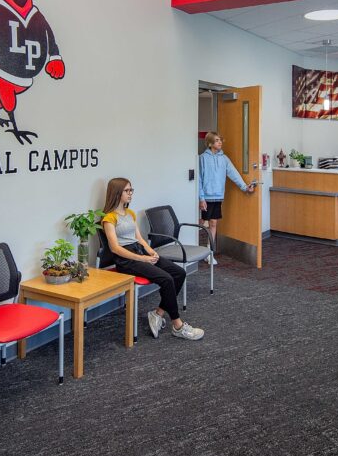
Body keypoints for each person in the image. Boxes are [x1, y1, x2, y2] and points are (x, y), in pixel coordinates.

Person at [101, 177, 204, 341]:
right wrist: (141, 259)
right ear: (117, 193)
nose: (130, 194)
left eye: (131, 190)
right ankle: (177, 325)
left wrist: (151, 252)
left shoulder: (130, 213)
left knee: (178, 273)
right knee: (166, 279)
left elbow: (139, 238)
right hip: (126, 260)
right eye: (127, 191)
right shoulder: (109, 218)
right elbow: (115, 248)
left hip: (140, 251)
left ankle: (157, 314)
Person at [199, 132, 256, 262]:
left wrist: (245, 187)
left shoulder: (224, 158)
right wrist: (201, 198)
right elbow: (199, 179)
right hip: (205, 196)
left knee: (213, 223)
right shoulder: (202, 158)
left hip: (218, 196)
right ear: (210, 143)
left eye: (220, 140)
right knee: (201, 223)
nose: (220, 142)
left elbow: (233, 173)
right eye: (217, 140)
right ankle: (196, 250)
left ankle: (209, 252)